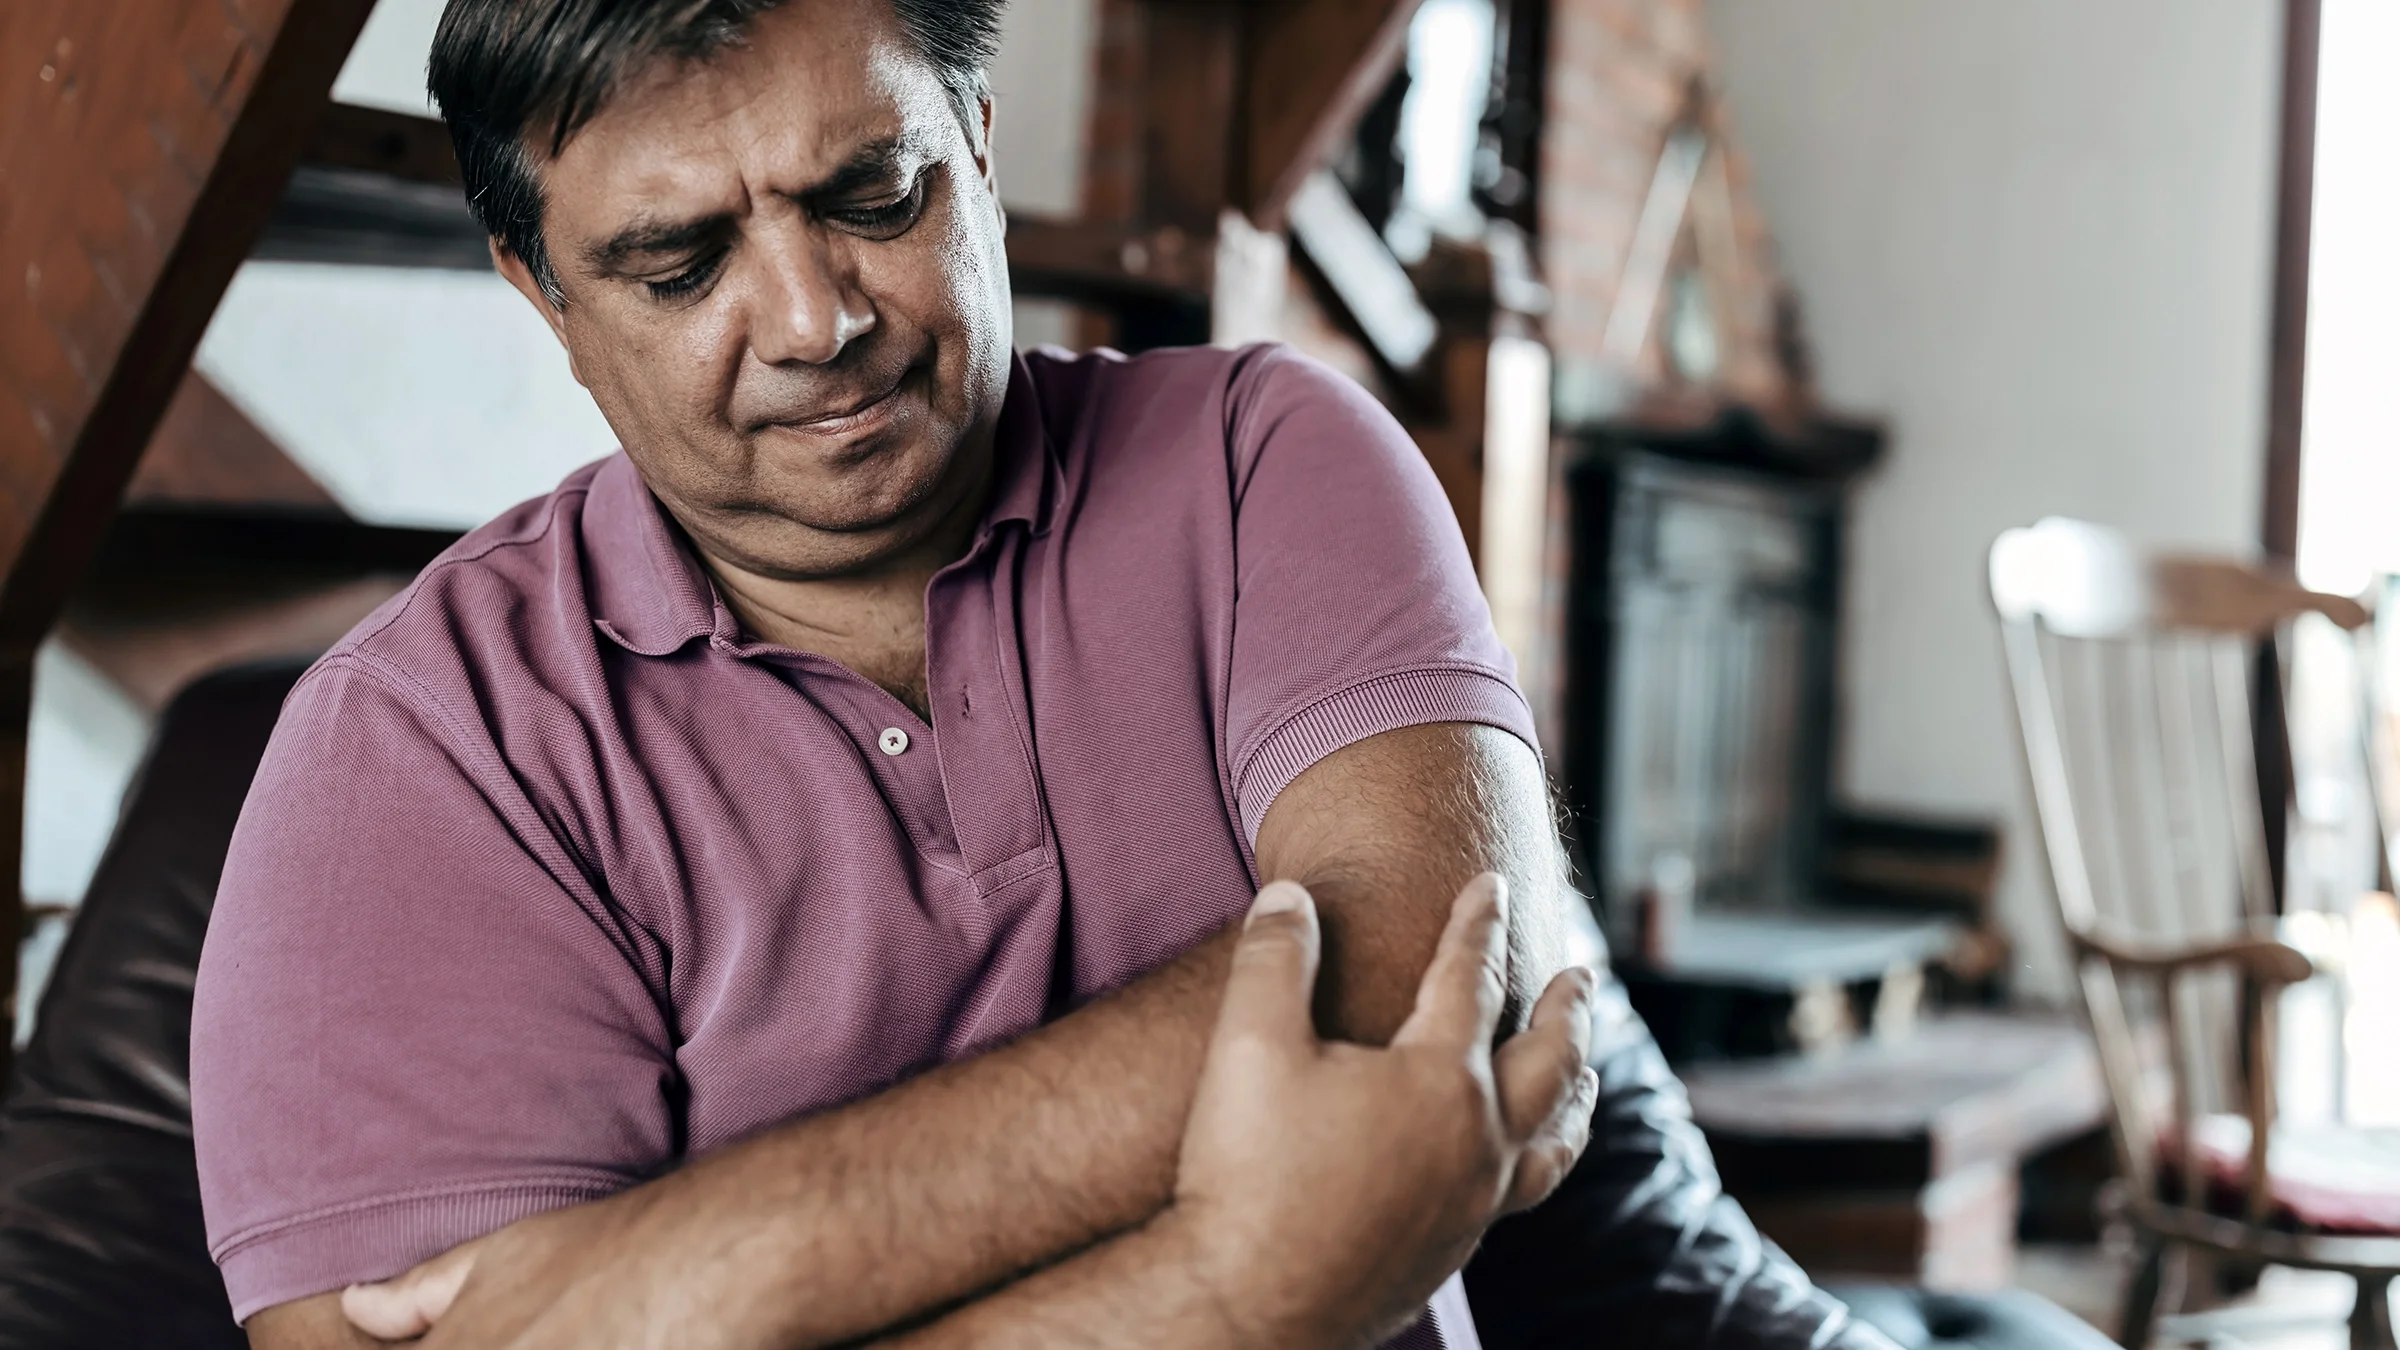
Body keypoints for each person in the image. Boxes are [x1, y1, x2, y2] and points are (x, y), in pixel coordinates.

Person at [190, 1, 1892, 1346]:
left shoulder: (1262, 459)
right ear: (543, 293)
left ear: (981, 147)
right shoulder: (415, 761)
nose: (810, 319)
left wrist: (684, 1276)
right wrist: (1232, 1294)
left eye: (872, 195)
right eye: (681, 261)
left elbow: (1437, 975)